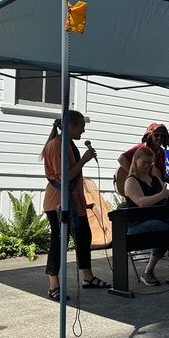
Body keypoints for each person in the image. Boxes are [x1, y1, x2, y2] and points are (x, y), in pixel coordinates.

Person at [41, 111, 110, 301]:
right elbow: (64, 176)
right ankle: (53, 285)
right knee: (59, 242)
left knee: (83, 237)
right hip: (58, 202)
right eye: (81, 127)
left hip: (75, 201)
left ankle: (88, 278)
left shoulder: (69, 144)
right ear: (71, 127)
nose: (84, 131)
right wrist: (84, 160)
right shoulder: (56, 145)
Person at [124, 146, 169, 286]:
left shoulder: (155, 179)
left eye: (150, 163)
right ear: (136, 161)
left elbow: (165, 198)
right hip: (137, 223)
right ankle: (148, 271)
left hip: (159, 217)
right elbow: (141, 202)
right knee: (164, 229)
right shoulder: (131, 181)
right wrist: (161, 195)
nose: (147, 166)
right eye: (144, 162)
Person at [116, 123, 169, 192]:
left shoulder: (162, 153)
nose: (159, 138)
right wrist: (136, 176)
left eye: (162, 136)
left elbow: (161, 174)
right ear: (150, 136)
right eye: (156, 135)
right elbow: (121, 159)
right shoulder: (142, 148)